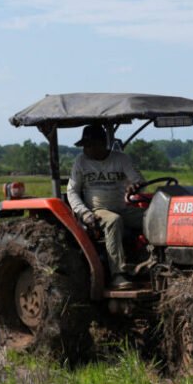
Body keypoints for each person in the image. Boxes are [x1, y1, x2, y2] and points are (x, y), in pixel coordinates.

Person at [66, 124, 146, 290]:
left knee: (153, 217)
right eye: (85, 146)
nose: (86, 150)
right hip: (98, 210)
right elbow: (72, 192)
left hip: (122, 207)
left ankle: (150, 260)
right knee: (114, 221)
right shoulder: (81, 162)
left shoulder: (120, 159)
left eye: (90, 145)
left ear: (102, 143)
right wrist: (84, 213)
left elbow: (138, 181)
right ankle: (118, 274)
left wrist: (135, 186)